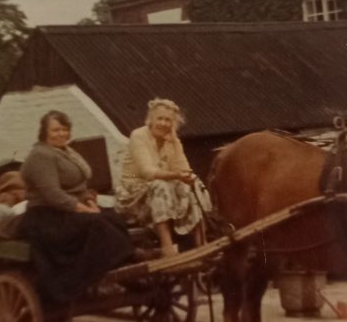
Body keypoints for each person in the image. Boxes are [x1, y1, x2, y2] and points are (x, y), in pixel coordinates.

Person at [19, 110, 134, 307]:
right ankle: (84, 281)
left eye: (65, 129)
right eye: (55, 130)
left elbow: (80, 185)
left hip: (68, 211)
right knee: (97, 225)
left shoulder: (65, 151)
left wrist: (89, 201)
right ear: (44, 132)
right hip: (47, 216)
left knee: (114, 217)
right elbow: (53, 194)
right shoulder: (40, 156)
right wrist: (83, 209)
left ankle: (125, 260)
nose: (61, 134)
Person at [116, 98, 212, 257]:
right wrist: (176, 175)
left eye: (168, 120)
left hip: (164, 189)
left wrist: (175, 145)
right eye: (159, 118)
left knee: (192, 183)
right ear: (150, 120)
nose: (163, 123)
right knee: (159, 185)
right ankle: (167, 246)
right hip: (133, 189)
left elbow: (185, 169)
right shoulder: (138, 136)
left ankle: (201, 241)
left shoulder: (173, 141)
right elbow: (148, 172)